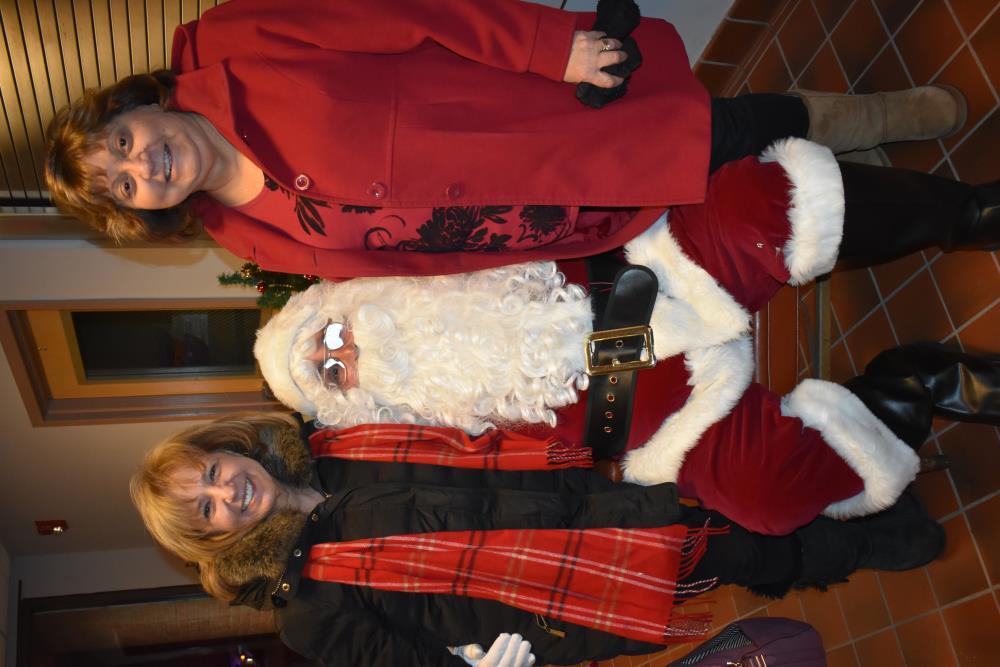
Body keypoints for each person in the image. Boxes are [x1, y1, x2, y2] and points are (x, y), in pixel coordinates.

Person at [253, 136, 1000, 536]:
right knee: (762, 495)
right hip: (668, 416)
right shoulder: (433, 429)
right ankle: (919, 384)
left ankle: (963, 216)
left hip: (660, 277)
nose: (344, 352)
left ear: (345, 302)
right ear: (351, 400)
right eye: (330, 373)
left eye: (329, 335)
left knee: (762, 205)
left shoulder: (440, 258)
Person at [43, 0, 966, 279]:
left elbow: (402, 13)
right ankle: (869, 175)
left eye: (122, 142)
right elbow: (395, 269)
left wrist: (546, 47)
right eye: (122, 186)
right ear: (143, 211)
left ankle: (880, 116)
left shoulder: (233, 44)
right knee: (728, 194)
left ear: (138, 107)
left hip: (543, 118)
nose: (141, 166)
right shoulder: (238, 235)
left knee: (731, 127)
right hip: (546, 220)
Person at [131, 411, 944, 666]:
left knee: (723, 512)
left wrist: (580, 475)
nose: (225, 490)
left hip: (581, 496)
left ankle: (847, 512)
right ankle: (869, 545)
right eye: (206, 511)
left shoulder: (337, 443)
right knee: (733, 552)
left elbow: (467, 449)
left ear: (226, 446)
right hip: (570, 596)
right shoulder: (307, 610)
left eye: (209, 470)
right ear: (214, 541)